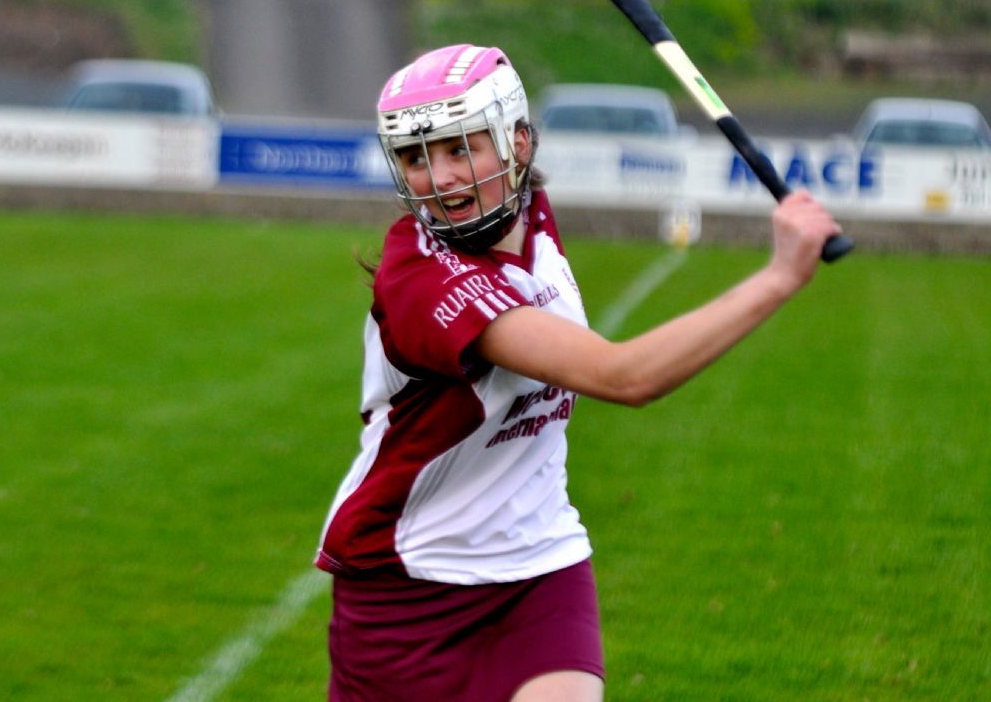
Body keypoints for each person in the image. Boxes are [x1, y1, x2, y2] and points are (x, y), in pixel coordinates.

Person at [315, 44, 841, 702]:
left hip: (541, 565)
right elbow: (623, 377)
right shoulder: (420, 281)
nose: (440, 177)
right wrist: (780, 276)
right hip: (406, 589)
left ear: (517, 142)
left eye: (460, 149)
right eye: (416, 158)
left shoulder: (532, 215)